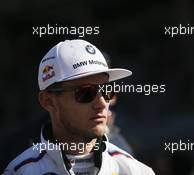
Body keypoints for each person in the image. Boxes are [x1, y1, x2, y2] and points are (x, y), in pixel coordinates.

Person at [3, 39, 155, 175]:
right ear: (48, 101)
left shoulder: (135, 171)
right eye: (86, 92)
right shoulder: (20, 171)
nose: (102, 103)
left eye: (106, 90)